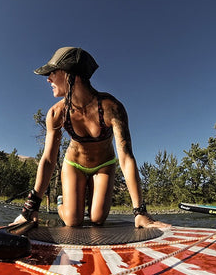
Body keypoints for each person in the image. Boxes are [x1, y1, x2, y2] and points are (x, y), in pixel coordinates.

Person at [12, 46, 170, 229]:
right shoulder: (56, 113)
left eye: (53, 72)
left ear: (72, 75)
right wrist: (30, 209)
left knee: (97, 218)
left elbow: (126, 158)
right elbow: (48, 159)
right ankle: (61, 203)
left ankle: (102, 210)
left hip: (104, 165)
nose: (48, 79)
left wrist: (140, 212)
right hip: (74, 165)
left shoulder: (112, 108)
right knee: (73, 221)